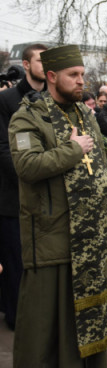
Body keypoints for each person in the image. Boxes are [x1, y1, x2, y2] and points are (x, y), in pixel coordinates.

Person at [8, 44, 107, 366]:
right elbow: (26, 166)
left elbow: (103, 153)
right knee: (46, 330)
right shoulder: (27, 117)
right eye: (74, 75)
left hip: (90, 242)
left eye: (83, 74)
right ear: (53, 76)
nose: (82, 81)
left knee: (88, 323)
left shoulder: (84, 113)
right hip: (52, 238)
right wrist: (72, 150)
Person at [0, 43, 47, 331]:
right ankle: (17, 315)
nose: (46, 65)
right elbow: (3, 149)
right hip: (13, 193)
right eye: (40, 60)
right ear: (27, 65)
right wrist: (32, 173)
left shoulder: (55, 100)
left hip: (47, 196)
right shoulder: (6, 100)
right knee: (16, 260)